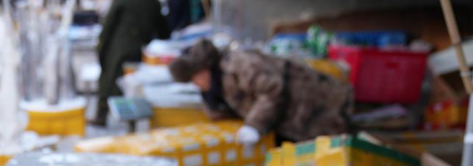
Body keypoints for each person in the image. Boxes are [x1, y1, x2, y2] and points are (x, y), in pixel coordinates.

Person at [168, 39, 353, 144]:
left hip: (318, 106)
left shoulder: (239, 64)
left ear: (205, 69)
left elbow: (273, 89)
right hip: (295, 122)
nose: (195, 84)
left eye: (195, 77)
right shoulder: (216, 88)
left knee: (343, 141)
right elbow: (226, 111)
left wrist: (254, 125)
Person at [94, 0, 170, 126]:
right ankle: (132, 123)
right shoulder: (153, 3)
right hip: (138, 48)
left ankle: (101, 115)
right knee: (133, 86)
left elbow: (109, 24)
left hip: (118, 48)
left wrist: (101, 47)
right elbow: (162, 29)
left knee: (109, 81)